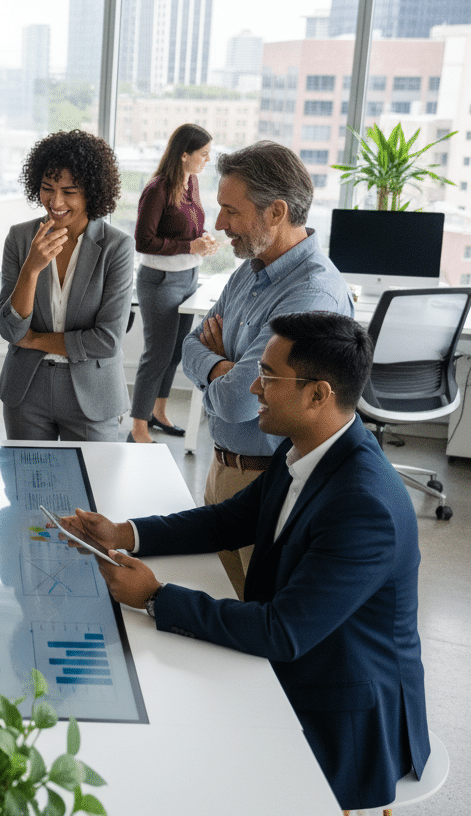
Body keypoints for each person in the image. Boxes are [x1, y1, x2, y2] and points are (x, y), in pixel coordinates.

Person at [59, 312, 429, 813]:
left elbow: (283, 631)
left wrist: (155, 596)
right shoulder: (308, 447)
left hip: (345, 715)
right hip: (297, 662)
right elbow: (229, 519)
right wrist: (127, 532)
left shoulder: (364, 505)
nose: (253, 385)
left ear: (318, 394)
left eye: (269, 376)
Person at [180, 140, 353, 598]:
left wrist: (220, 369)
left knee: (257, 630)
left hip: (269, 482)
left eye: (230, 211)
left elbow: (240, 401)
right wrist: (226, 367)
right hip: (222, 472)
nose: (219, 224)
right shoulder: (249, 272)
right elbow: (189, 347)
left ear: (275, 212)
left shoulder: (312, 293)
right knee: (224, 615)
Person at [0, 129, 133, 441]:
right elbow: (11, 331)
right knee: (27, 487)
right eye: (47, 189)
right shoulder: (19, 239)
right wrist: (31, 269)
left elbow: (107, 341)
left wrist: (35, 340)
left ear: (92, 194)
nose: (55, 202)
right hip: (26, 392)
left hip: (93, 395)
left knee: (95, 487)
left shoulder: (117, 247)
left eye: (69, 192)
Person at [130, 123, 217, 444]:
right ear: (184, 154)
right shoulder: (158, 189)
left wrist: (202, 241)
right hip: (160, 280)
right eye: (203, 154)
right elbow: (143, 241)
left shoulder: (191, 183)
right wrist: (189, 247)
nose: (207, 159)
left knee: (175, 352)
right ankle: (138, 426)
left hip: (189, 276)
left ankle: (158, 412)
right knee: (157, 354)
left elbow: (186, 230)